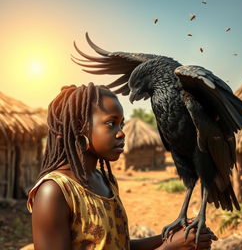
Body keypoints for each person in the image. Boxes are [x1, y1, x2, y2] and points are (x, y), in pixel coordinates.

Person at [27, 83, 217, 250]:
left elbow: (119, 245)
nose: (121, 134)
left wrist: (175, 236)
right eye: (111, 123)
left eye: (122, 125)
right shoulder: (54, 192)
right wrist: (168, 248)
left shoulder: (104, 180)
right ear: (79, 128)